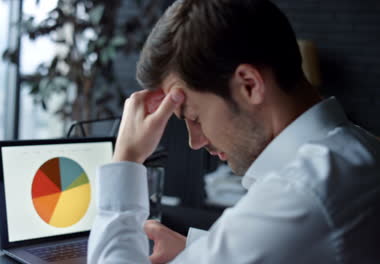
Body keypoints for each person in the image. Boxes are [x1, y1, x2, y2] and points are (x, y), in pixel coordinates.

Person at [87, 0, 380, 263]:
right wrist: (195, 248)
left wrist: (126, 158)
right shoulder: (359, 151)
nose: (195, 141)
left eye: (194, 117)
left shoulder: (300, 194)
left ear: (249, 85)